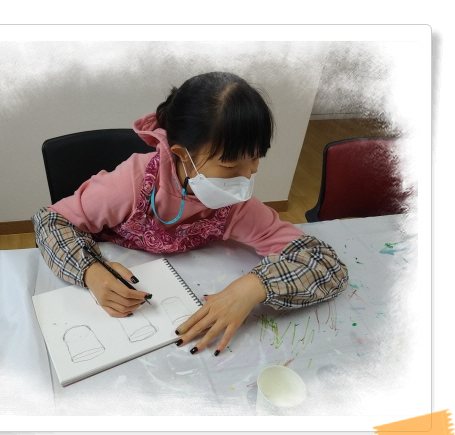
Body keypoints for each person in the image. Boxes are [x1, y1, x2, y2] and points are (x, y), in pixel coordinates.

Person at [32, 71, 348, 357]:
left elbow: (323, 262)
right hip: (119, 295)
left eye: (255, 159)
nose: (247, 176)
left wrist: (253, 287)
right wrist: (91, 271)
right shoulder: (131, 183)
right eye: (230, 165)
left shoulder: (235, 204)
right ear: (182, 155)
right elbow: (50, 221)